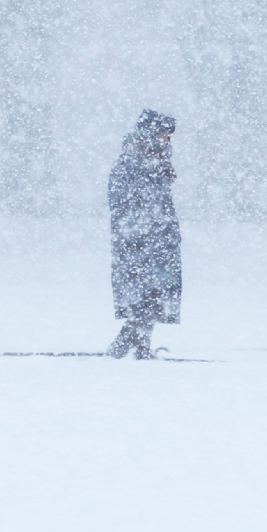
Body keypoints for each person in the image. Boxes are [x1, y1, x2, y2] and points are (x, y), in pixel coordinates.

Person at [107, 110, 181, 360]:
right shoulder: (131, 164)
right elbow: (124, 204)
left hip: (157, 242)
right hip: (139, 243)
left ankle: (140, 347)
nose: (165, 141)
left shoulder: (155, 163)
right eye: (161, 135)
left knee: (153, 297)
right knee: (144, 297)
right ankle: (125, 343)